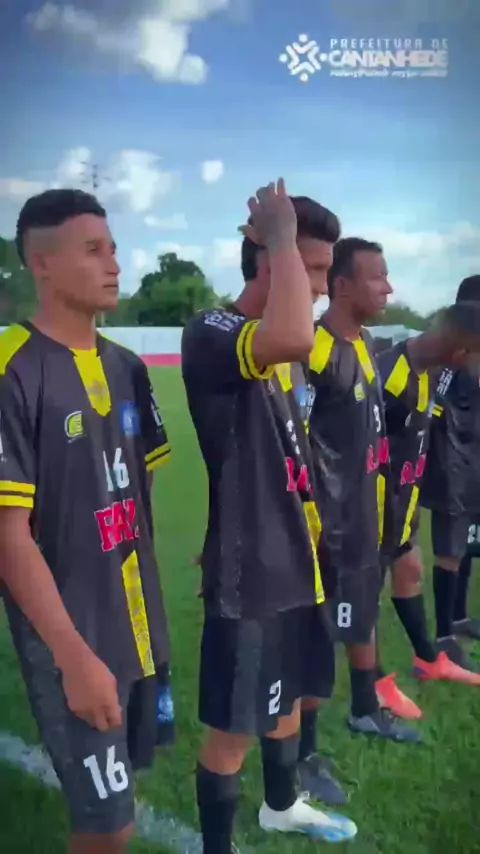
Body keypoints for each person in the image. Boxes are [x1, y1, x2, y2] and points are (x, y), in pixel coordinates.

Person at [181, 180, 357, 852]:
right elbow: (290, 333)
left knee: (287, 698)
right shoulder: (213, 330)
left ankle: (281, 806)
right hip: (251, 568)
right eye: (311, 268)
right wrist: (280, 235)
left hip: (297, 558)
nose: (320, 287)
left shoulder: (286, 356)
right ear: (266, 259)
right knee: (234, 727)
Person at [0, 189, 173, 854]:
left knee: (123, 794)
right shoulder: (13, 369)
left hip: (136, 622)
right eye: (93, 250)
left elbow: (139, 491)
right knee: (109, 827)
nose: (115, 265)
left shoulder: (129, 368)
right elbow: (8, 537)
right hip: (70, 636)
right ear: (42, 263)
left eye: (114, 249)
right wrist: (72, 657)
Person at [300, 237, 419, 755]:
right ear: (342, 286)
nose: (388, 287)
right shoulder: (313, 348)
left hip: (365, 515)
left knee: (363, 612)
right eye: (378, 276)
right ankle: (302, 754)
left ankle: (366, 709)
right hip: (329, 525)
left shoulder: (366, 343)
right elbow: (293, 438)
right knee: (315, 635)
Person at [375, 301, 480, 720]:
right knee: (364, 599)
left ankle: (428, 660)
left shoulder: (430, 373)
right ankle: (374, 687)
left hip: (403, 501)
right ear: (460, 353)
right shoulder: (388, 374)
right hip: (372, 506)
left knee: (410, 571)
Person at [420, 275, 480, 665]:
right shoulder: (447, 357)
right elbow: (435, 403)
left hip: (474, 465)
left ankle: (459, 617)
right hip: (453, 467)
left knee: (468, 545)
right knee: (449, 551)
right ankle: (444, 636)